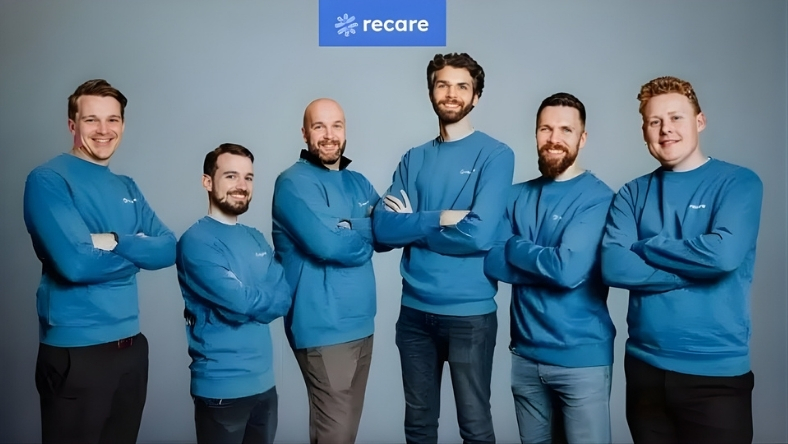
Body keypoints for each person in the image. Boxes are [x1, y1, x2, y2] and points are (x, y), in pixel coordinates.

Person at [601, 76, 763, 443]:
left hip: (715, 374)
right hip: (645, 369)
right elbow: (613, 265)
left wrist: (646, 245)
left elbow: (723, 256)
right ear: (644, 130)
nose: (665, 130)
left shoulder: (739, 183)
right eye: (654, 121)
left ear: (700, 121)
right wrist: (692, 271)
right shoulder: (632, 192)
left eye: (676, 118)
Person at [23, 79, 176, 443]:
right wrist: (138, 250)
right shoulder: (48, 180)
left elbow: (170, 248)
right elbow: (76, 264)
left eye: (113, 120)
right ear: (72, 125)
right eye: (92, 120)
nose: (104, 131)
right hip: (78, 352)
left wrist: (113, 242)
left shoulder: (127, 186)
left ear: (123, 124)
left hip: (131, 348)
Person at [372, 52, 514, 444]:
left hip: (470, 317)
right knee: (418, 428)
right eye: (443, 84)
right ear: (431, 91)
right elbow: (383, 230)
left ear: (476, 96)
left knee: (475, 426)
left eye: (462, 86)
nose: (451, 94)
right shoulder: (413, 158)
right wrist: (441, 217)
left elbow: (480, 235)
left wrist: (414, 224)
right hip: (414, 315)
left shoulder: (496, 155)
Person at [484, 93, 615, 444]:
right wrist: (546, 260)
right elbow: (489, 260)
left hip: (581, 359)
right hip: (525, 357)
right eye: (545, 128)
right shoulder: (513, 195)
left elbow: (567, 271)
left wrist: (513, 245)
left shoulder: (598, 198)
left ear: (582, 138)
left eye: (565, 130)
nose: (554, 138)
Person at [271, 98, 382, 443]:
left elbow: (388, 231)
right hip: (322, 329)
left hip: (362, 325)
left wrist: (353, 228)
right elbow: (328, 245)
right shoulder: (292, 183)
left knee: (345, 434)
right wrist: (367, 229)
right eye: (319, 126)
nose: (329, 135)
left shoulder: (358, 181)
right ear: (304, 133)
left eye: (336, 126)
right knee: (334, 434)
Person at [176, 143, 292, 443]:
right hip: (221, 390)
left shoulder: (254, 237)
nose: (242, 186)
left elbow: (283, 296)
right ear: (207, 181)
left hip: (264, 385)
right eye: (231, 176)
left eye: (248, 178)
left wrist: (250, 297)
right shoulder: (196, 241)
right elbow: (238, 304)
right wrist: (255, 298)